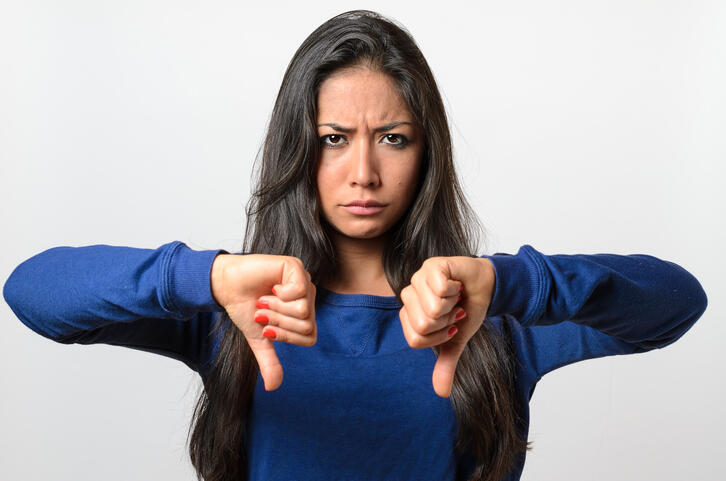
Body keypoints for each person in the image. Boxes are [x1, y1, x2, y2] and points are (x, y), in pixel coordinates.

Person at [2, 9, 708, 481]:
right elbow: (33, 292)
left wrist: (513, 283)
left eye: (393, 139)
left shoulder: (494, 319)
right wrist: (205, 276)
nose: (363, 172)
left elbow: (677, 302)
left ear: (427, 153)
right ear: (297, 148)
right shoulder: (240, 312)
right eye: (333, 139)